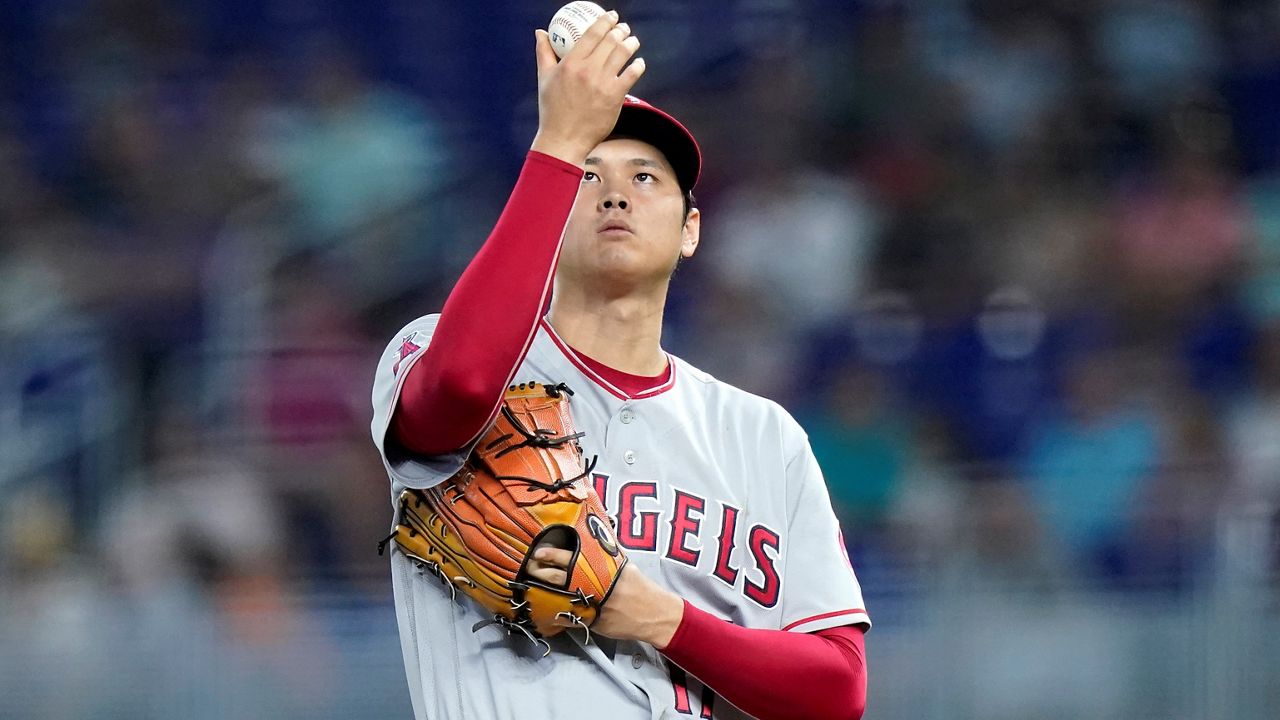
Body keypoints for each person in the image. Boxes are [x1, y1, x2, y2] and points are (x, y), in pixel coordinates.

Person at [369, 12, 869, 720]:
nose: (614, 193)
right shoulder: (433, 347)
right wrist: (558, 140)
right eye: (586, 174)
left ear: (691, 229)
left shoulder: (764, 438)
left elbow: (837, 689)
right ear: (545, 202)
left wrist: (655, 616)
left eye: (644, 177)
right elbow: (461, 387)